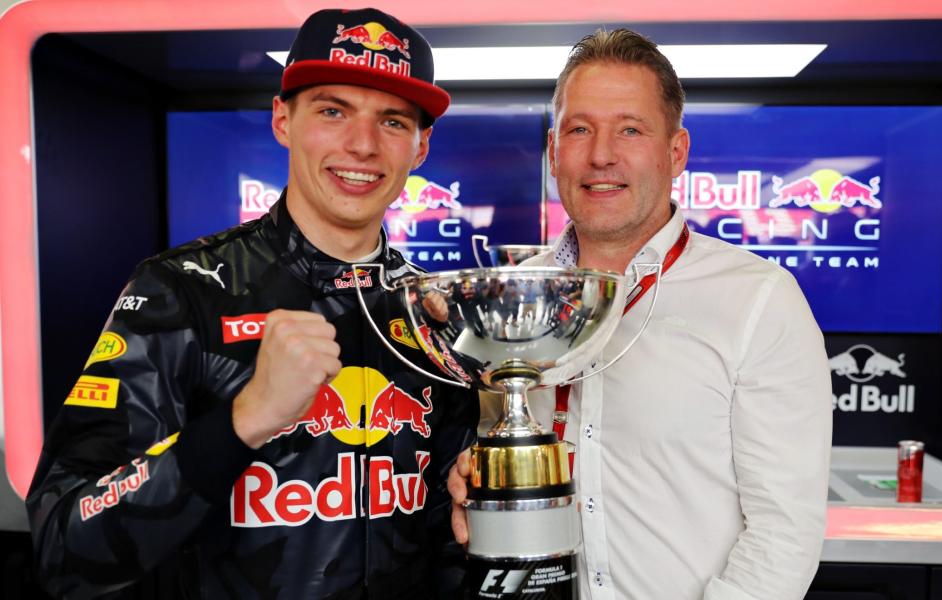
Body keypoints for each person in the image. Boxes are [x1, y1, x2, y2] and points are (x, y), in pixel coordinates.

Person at [27, 8, 477, 599]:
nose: (362, 145)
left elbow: (451, 541)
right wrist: (244, 421)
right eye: (333, 110)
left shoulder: (435, 311)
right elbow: (64, 548)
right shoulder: (180, 290)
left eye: (392, 121)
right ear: (283, 120)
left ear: (420, 148)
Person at [449, 28, 832, 600]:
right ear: (555, 150)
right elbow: (494, 443)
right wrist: (477, 477)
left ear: (676, 151)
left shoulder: (759, 299)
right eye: (580, 130)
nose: (601, 154)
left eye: (630, 129)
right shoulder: (510, 297)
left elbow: (784, 532)